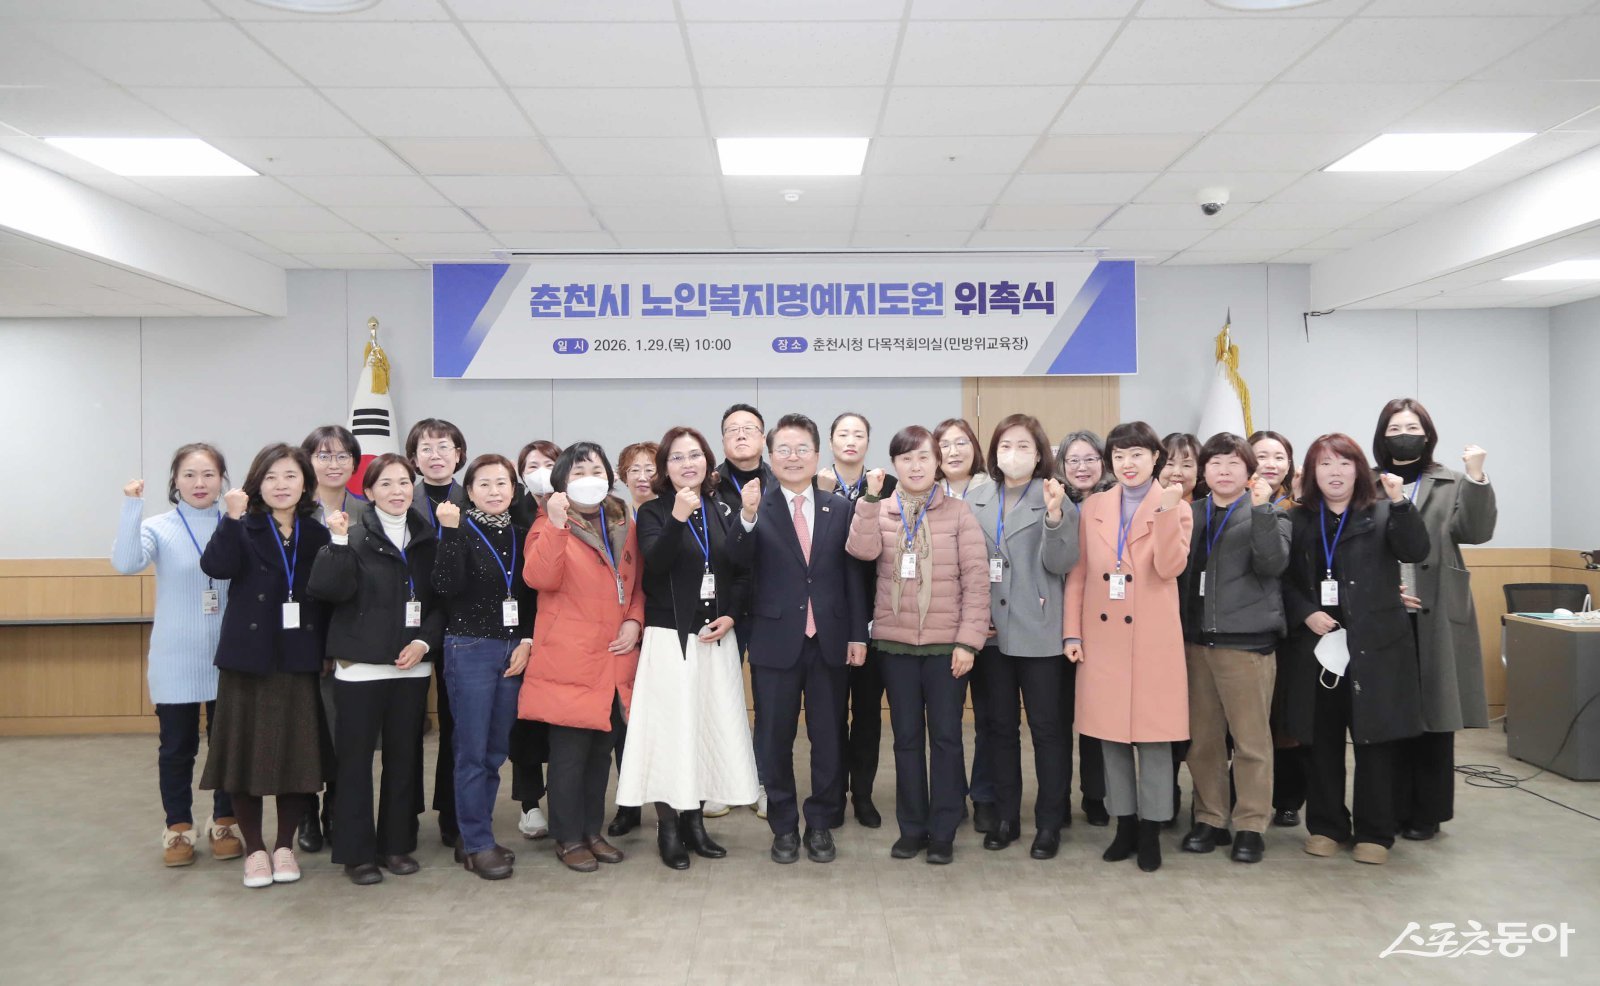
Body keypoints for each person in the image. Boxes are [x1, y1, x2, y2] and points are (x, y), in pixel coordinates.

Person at [725, 413, 869, 864]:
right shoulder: (756, 506)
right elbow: (735, 562)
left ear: (817, 455)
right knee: (774, 739)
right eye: (783, 450)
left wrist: (857, 634)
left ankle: (821, 823)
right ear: (770, 456)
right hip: (774, 641)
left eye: (802, 449)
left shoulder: (838, 508)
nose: (793, 457)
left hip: (829, 640)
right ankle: (784, 826)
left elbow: (853, 577)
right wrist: (747, 516)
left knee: (829, 738)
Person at [1282, 433, 1429, 866]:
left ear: (1359, 470)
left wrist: (1400, 503)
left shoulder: (1383, 512)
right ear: (1312, 473)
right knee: (1321, 742)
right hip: (1319, 647)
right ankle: (1326, 826)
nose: (1335, 472)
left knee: (1375, 742)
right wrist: (1305, 612)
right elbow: (1282, 580)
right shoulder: (1298, 519)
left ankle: (1375, 832)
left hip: (1375, 647)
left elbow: (1415, 549)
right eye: (1325, 464)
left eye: (1344, 463)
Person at [846, 426, 990, 864]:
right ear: (894, 464)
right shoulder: (881, 509)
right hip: (895, 646)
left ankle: (943, 831)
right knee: (906, 740)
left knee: (946, 739)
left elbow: (977, 582)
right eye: (906, 458)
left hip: (947, 649)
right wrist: (869, 501)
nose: (915, 465)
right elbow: (861, 551)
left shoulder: (959, 513)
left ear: (937, 462)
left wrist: (968, 642)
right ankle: (912, 828)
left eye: (924, 457)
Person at [621, 427, 759, 869]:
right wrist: (678, 517)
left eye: (695, 455)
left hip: (714, 637)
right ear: (665, 467)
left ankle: (695, 822)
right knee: (670, 733)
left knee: (703, 728)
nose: (687, 464)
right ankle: (668, 827)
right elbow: (655, 567)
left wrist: (732, 614)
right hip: (670, 638)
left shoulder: (721, 508)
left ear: (707, 462)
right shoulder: (654, 511)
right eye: (677, 457)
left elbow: (740, 569)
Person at [198, 443, 331, 889]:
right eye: (271, 477)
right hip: (248, 659)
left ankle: (284, 846)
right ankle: (255, 849)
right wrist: (231, 518)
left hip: (298, 656)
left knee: (296, 757)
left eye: (290, 476)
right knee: (244, 758)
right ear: (257, 483)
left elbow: (328, 596)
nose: (281, 485)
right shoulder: (243, 524)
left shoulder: (316, 533)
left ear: (305, 483)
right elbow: (216, 566)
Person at [307, 453, 443, 885]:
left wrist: (423, 642)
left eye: (403, 482)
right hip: (360, 668)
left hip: (411, 668)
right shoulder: (351, 535)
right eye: (385, 483)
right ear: (367, 492)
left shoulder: (427, 538)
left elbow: (441, 602)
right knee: (354, 764)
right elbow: (327, 590)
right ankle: (356, 853)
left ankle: (395, 845)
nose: (396, 491)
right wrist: (337, 544)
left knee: (404, 761)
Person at [1064, 421, 1192, 873]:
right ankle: (1124, 825)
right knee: (1111, 738)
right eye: (1119, 456)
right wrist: (1072, 632)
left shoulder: (1176, 506)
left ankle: (1151, 831)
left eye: (1137, 454)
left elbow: (1170, 567)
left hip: (1153, 640)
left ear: (1155, 458)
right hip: (1103, 639)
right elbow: (1079, 574)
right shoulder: (1094, 505)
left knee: (1154, 740)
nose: (1127, 463)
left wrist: (1168, 512)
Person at [112, 443, 243, 868]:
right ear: (175, 481)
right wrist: (132, 506)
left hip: (230, 655)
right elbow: (125, 563)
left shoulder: (237, 524)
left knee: (227, 745)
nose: (199, 483)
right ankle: (178, 828)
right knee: (177, 748)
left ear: (223, 480)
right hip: (176, 656)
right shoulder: (158, 527)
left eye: (208, 474)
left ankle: (224, 821)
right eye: (189, 474)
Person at [1372, 398, 1496, 842]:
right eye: (1394, 428)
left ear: (1427, 435)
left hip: (1437, 608)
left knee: (1435, 713)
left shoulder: (1451, 481)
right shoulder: (1369, 484)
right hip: (1384, 609)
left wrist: (1477, 477)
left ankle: (1428, 812)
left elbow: (1476, 532)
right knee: (1390, 712)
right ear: (1382, 437)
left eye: (1412, 427)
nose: (1403, 434)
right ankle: (1388, 807)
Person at [520, 443, 644, 873]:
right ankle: (568, 836)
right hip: (570, 658)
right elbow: (539, 576)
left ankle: (592, 830)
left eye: (595, 470)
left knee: (599, 753)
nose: (588, 479)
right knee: (569, 757)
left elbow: (636, 584)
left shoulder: (622, 520)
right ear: (560, 483)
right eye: (577, 473)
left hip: (613, 657)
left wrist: (635, 621)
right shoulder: (547, 524)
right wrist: (555, 525)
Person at [968, 414, 1079, 858]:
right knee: (999, 728)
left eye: (1023, 447)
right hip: (991, 633)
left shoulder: (1055, 497)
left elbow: (1061, 563)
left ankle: (1049, 823)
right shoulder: (976, 498)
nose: (1012, 454)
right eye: (1005, 446)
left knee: (1047, 730)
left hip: (1040, 630)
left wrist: (1053, 516)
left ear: (1039, 455)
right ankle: (1007, 817)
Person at [1176, 434, 1290, 865]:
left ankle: (1251, 824)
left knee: (1250, 742)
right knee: (1203, 742)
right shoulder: (1190, 513)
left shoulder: (1270, 512)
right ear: (1203, 471)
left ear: (1249, 471)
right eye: (1215, 463)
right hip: (1195, 644)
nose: (1223, 471)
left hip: (1246, 646)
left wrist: (1261, 510)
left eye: (1233, 463)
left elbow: (1272, 563)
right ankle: (1210, 817)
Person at [430, 453, 534, 880]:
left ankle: (478, 835)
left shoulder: (522, 534)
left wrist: (527, 641)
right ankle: (475, 843)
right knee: (471, 751)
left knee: (494, 750)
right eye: (484, 484)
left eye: (502, 483)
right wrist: (450, 533)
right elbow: (445, 584)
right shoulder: (458, 529)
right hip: (470, 647)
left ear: (514, 490)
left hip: (513, 649)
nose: (494, 491)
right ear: (469, 492)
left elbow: (532, 595)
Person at [818, 411, 895, 828]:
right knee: (829, 714)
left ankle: (862, 795)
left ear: (868, 442)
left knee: (866, 713)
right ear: (830, 441)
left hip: (875, 616)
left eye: (859, 434)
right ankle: (831, 795)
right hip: (827, 615)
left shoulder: (889, 487)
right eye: (843, 434)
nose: (851, 441)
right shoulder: (812, 486)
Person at [295, 423, 366, 854]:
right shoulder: (294, 512)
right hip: (302, 637)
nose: (333, 464)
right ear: (308, 462)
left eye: (342, 455)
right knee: (305, 730)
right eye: (323, 455)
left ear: (355, 463)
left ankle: (337, 810)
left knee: (343, 731)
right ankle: (305, 811)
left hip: (350, 640)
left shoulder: (367, 511)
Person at [934, 418, 1000, 829]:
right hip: (943, 629)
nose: (954, 451)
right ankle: (950, 794)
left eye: (961, 443)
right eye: (945, 444)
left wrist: (990, 613)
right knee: (946, 722)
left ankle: (986, 796)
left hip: (991, 626)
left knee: (990, 719)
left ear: (975, 447)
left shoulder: (996, 491)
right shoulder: (926, 494)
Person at [406, 418, 469, 849]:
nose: (435, 455)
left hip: (461, 624)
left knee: (455, 725)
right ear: (413, 458)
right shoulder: (400, 498)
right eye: (425, 449)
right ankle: (404, 813)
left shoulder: (474, 497)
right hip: (407, 626)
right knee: (407, 727)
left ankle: (452, 813)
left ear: (458, 454)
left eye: (444, 446)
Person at [711, 402, 776, 820]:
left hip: (771, 606)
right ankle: (722, 781)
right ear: (722, 440)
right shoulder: (709, 484)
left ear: (763, 438)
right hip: (723, 607)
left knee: (769, 701)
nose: (740, 434)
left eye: (749, 428)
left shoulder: (781, 481)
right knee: (722, 697)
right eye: (732, 429)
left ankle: (762, 781)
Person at [1052, 429, 1112, 826]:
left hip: (1101, 624)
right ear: (1061, 465)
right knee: (1056, 720)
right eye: (1073, 460)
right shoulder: (1052, 501)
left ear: (1102, 462)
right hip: (1051, 623)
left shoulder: (1116, 502)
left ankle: (1095, 795)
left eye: (1090, 458)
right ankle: (1057, 799)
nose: (1082, 467)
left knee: (1096, 718)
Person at [1250, 429, 1305, 826]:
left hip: (1293, 628)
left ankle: (1288, 798)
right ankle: (1245, 794)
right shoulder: (1233, 503)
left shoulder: (1301, 508)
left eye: (1279, 457)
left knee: (1285, 719)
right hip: (1248, 626)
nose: (1270, 464)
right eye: (1261, 456)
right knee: (1247, 721)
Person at [508, 439, 560, 840]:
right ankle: (530, 804)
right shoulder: (512, 511)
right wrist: (525, 635)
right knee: (525, 722)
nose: (541, 471)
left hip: (563, 630)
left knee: (561, 723)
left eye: (549, 463)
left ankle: (563, 800)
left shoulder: (575, 507)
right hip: (522, 627)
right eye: (532, 465)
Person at [618, 441, 660, 517]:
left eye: (649, 470)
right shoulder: (617, 518)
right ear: (625, 477)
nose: (642, 478)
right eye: (635, 470)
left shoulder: (674, 514)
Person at [1159, 432, 1201, 501]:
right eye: (1170, 464)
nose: (1177, 473)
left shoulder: (1207, 507)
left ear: (1199, 471)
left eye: (1186, 465)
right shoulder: (1142, 502)